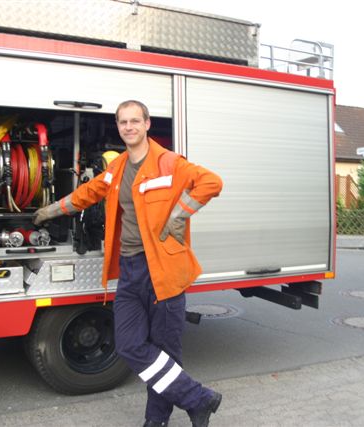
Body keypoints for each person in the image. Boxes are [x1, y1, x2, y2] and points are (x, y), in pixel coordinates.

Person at [34, 100, 223, 427]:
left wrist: (179, 215)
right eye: (123, 122)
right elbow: (86, 193)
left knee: (164, 351)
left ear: (147, 124)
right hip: (131, 269)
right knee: (129, 345)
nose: (129, 127)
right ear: (118, 127)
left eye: (135, 121)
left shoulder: (169, 162)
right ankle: (198, 398)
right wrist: (50, 211)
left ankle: (156, 420)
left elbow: (211, 182)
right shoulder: (117, 167)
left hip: (163, 270)